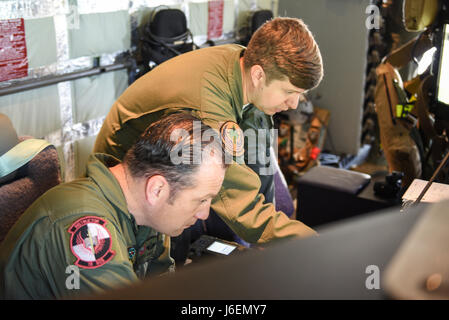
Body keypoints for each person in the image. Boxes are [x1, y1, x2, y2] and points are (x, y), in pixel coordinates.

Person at [93, 17, 323, 248]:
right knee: (178, 239)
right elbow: (238, 205)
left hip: (170, 166)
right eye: (289, 91)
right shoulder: (208, 109)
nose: (294, 104)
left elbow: (259, 160)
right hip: (131, 183)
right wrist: (315, 244)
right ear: (258, 75)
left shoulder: (246, 69)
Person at [0, 113, 227, 299]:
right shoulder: (88, 231)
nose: (204, 213)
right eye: (201, 199)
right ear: (157, 190)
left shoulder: (146, 213)